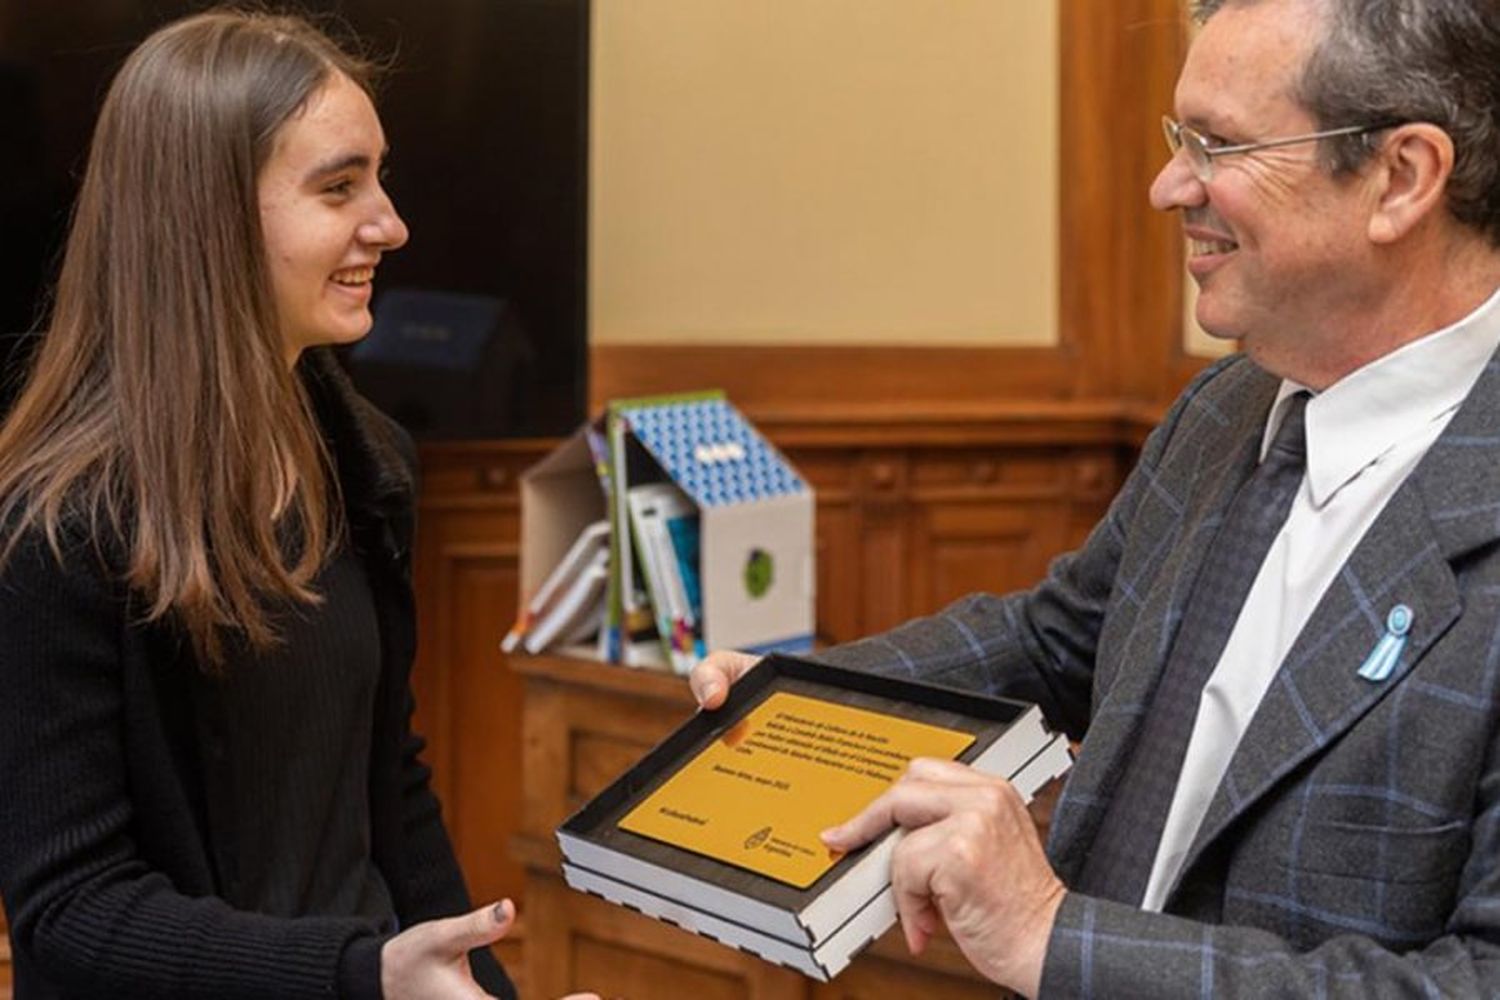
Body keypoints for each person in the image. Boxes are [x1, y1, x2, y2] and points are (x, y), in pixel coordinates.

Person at [693, 0, 1500, 995]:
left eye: (1219, 145)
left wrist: (1050, 935)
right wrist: (798, 697)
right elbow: (1059, 642)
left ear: (1401, 177)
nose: (1168, 188)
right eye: (1179, 140)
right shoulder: (1225, 409)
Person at [0, 10, 595, 1000]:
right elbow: (72, 909)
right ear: (211, 216)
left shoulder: (372, 464)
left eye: (380, 176)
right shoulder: (51, 520)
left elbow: (392, 801)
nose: (390, 224)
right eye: (337, 187)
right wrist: (359, 976)